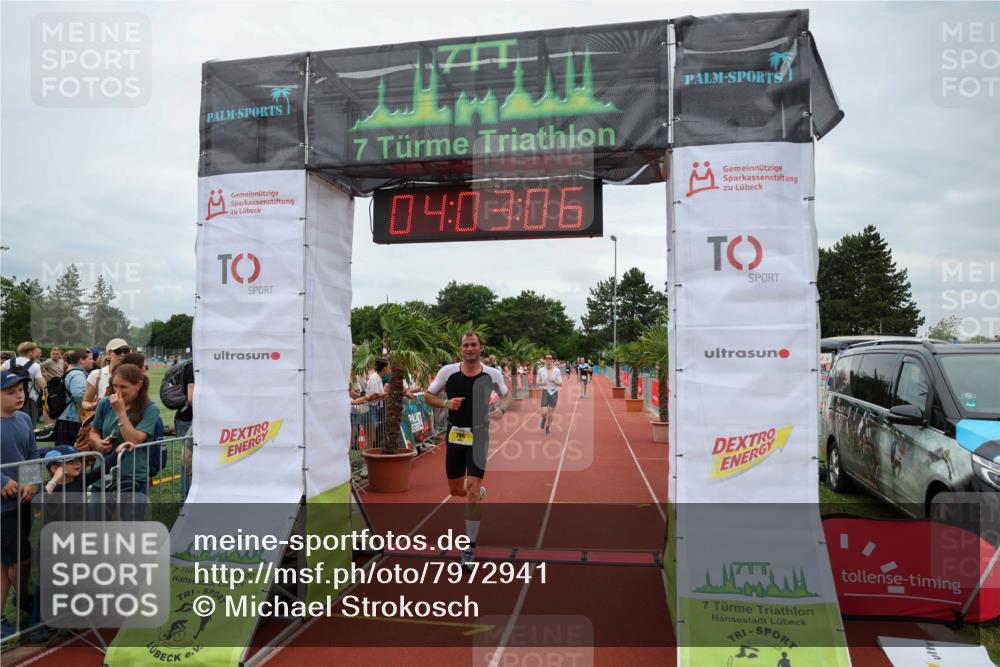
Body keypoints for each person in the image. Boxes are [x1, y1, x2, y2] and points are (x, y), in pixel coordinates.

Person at [424, 331, 508, 568]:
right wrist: (445, 403)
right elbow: (428, 396)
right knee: (456, 490)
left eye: (473, 345)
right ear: (461, 349)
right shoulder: (447, 372)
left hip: (479, 435)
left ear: (481, 348)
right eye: (465, 345)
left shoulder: (492, 373)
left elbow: (507, 396)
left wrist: (502, 409)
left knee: (471, 490)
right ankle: (476, 493)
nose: (469, 348)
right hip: (454, 434)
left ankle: (469, 547)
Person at [0, 371, 39, 638]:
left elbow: (32, 454)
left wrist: (32, 482)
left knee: (6, 563)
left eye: (21, 389)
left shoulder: (24, 418)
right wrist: (2, 479)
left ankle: (11, 606)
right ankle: (23, 597)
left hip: (22, 503)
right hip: (3, 509)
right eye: (11, 391)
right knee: (21, 558)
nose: (19, 394)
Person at [84, 363, 160, 494]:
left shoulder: (150, 409)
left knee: (129, 515)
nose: (117, 391)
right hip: (101, 475)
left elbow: (134, 441)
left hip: (131, 478)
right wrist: (99, 443)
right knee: (97, 515)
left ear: (138, 385)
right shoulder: (105, 403)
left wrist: (120, 411)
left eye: (123, 386)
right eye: (115, 386)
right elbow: (94, 433)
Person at [54, 348, 94, 446]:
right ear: (81, 360)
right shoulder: (78, 374)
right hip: (72, 419)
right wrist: (91, 404)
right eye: (90, 358)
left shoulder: (72, 372)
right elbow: (79, 395)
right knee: (71, 455)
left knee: (65, 455)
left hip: (66, 418)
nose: (92, 361)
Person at [1, 342, 45, 425]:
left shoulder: (8, 362)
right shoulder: (35, 365)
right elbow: (41, 385)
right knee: (29, 426)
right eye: (34, 352)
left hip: (8, 399)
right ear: (29, 353)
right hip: (29, 400)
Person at [83, 338, 130, 413]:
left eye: (126, 351)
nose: (122, 354)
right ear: (109, 353)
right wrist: (93, 406)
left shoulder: (133, 374)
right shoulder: (97, 374)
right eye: (118, 351)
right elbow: (85, 402)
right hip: (103, 422)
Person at [536, 354, 563, 434]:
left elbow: (561, 383)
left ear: (552, 360)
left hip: (554, 392)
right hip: (545, 391)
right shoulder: (541, 370)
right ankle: (544, 419)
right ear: (545, 360)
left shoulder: (557, 370)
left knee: (551, 412)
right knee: (544, 412)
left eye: (550, 359)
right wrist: (542, 383)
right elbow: (537, 382)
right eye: (547, 359)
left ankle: (547, 427)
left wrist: (554, 381)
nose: (548, 361)